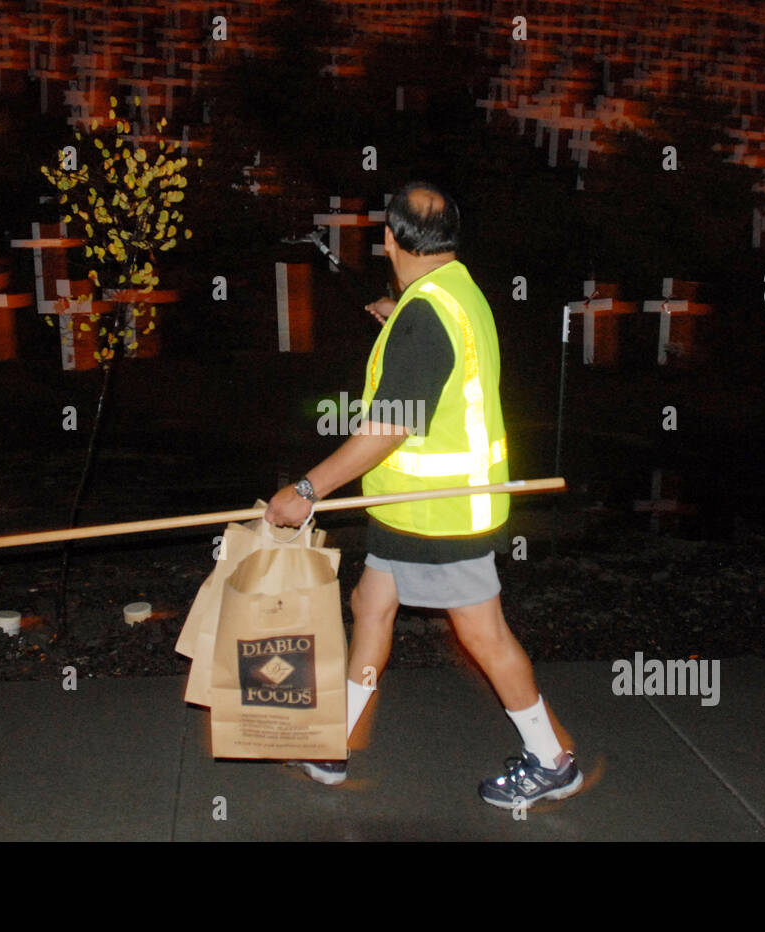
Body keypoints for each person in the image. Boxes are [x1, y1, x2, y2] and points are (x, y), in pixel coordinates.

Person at [265, 181, 582, 809]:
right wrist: (398, 314)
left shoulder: (424, 316)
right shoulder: (451, 292)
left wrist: (307, 489)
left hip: (439, 514)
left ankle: (552, 759)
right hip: (415, 509)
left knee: (483, 634)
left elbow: (387, 429)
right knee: (371, 602)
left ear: (389, 239)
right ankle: (335, 742)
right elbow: (437, 351)